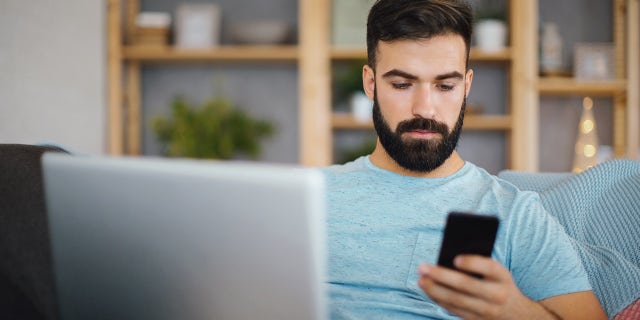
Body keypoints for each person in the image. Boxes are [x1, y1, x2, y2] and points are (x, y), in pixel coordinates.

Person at [322, 0, 607, 319]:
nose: (425, 108)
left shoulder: (513, 212)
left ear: (466, 86)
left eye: (445, 86)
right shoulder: (312, 194)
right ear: (371, 84)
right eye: (402, 84)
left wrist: (513, 310)